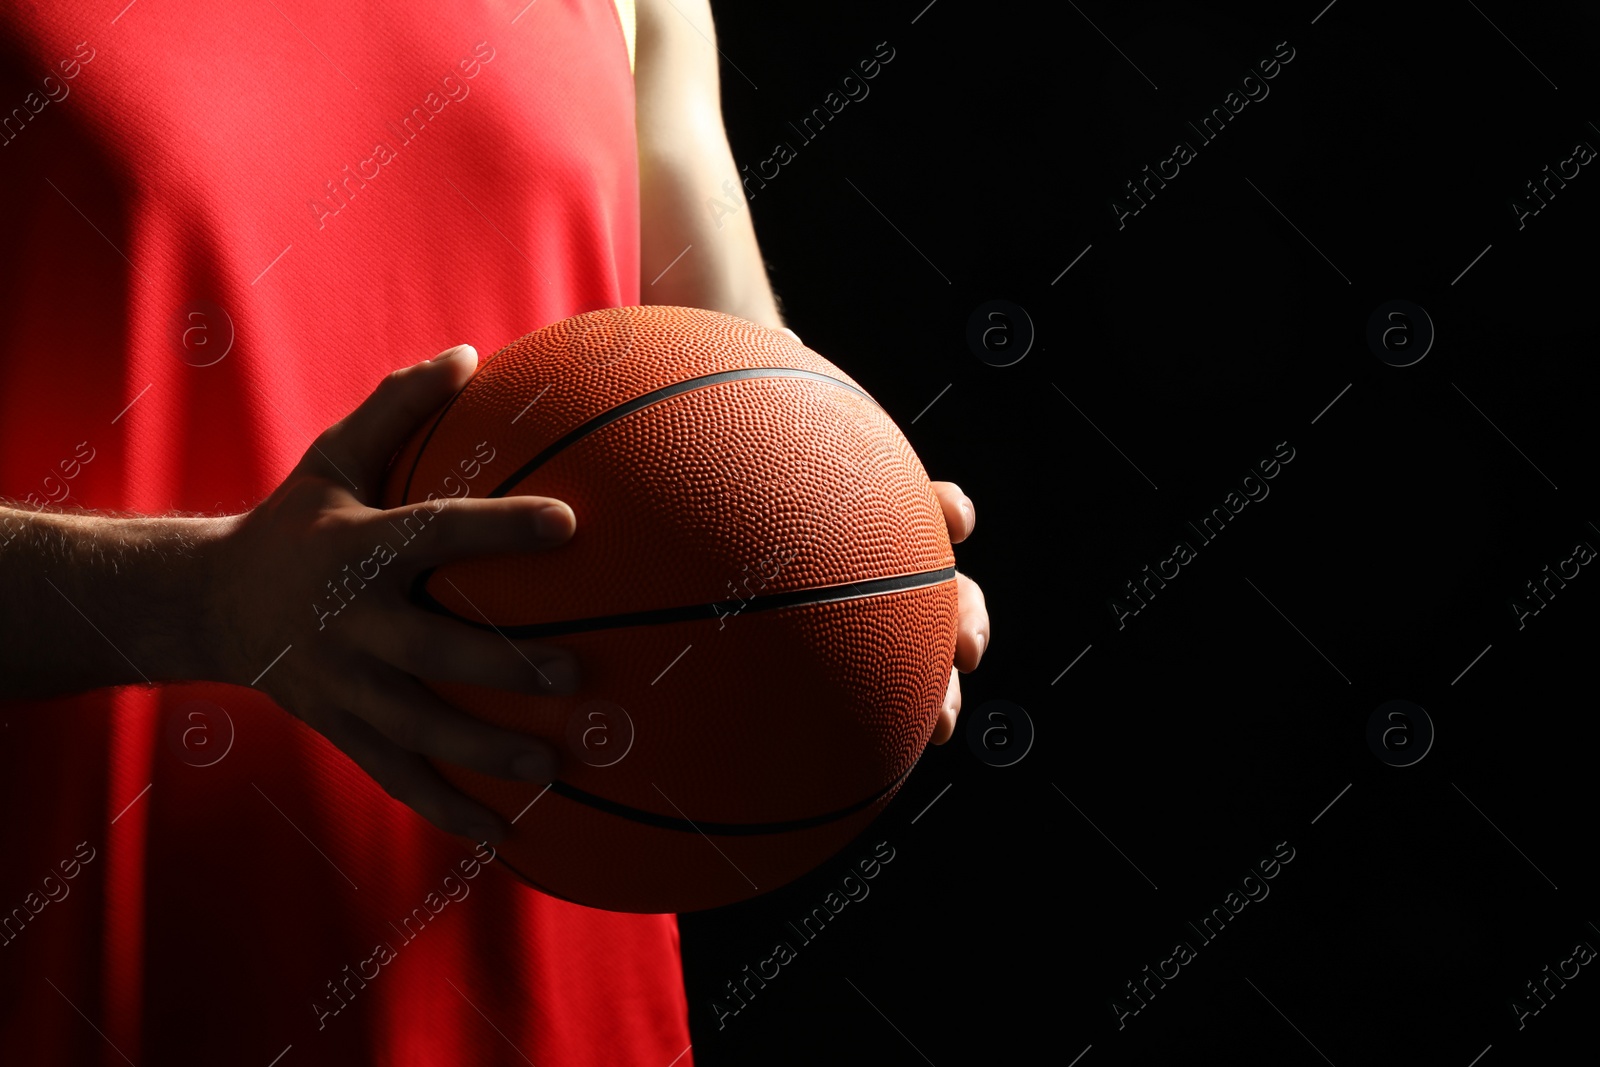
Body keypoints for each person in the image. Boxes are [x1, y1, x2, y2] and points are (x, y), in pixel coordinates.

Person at [0, 0, 990, 1062]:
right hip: (94, 991)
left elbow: (751, 405)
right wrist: (209, 602)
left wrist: (863, 559)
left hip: (558, 1014)